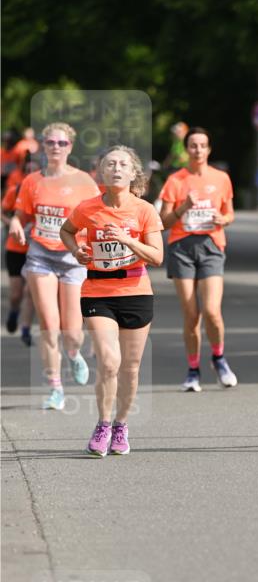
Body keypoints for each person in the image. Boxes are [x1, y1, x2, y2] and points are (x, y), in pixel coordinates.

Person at [60, 145, 163, 457]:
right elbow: (67, 231)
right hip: (97, 291)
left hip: (135, 291)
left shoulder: (144, 210)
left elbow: (157, 256)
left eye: (123, 165)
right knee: (108, 362)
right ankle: (103, 424)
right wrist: (76, 251)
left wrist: (127, 239)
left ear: (133, 174)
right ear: (101, 172)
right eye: (110, 164)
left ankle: (121, 424)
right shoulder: (87, 208)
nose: (116, 169)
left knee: (130, 368)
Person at [9, 122, 99, 409]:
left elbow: (97, 218)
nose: (56, 147)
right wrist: (15, 224)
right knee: (49, 325)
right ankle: (55, 388)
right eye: (50, 142)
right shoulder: (32, 181)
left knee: (72, 331)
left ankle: (73, 354)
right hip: (41, 255)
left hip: (73, 257)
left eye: (62, 143)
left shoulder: (84, 181)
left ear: (70, 146)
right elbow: (21, 214)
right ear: (43, 146)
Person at [159, 126, 237, 391]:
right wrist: (184, 207)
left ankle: (219, 357)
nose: (198, 150)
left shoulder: (221, 178)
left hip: (211, 246)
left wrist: (222, 219)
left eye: (203, 145)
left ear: (209, 149)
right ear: (186, 149)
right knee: (191, 315)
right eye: (193, 145)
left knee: (212, 311)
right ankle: (193, 370)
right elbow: (163, 222)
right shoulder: (175, 181)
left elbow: (229, 213)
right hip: (181, 248)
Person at [1, 160, 36, 344]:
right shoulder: (14, 191)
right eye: (28, 171)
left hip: (36, 251)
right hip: (15, 249)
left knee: (30, 291)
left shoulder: (46, 193)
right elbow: (2, 212)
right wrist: (13, 224)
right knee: (16, 295)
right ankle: (14, 312)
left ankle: (26, 329)